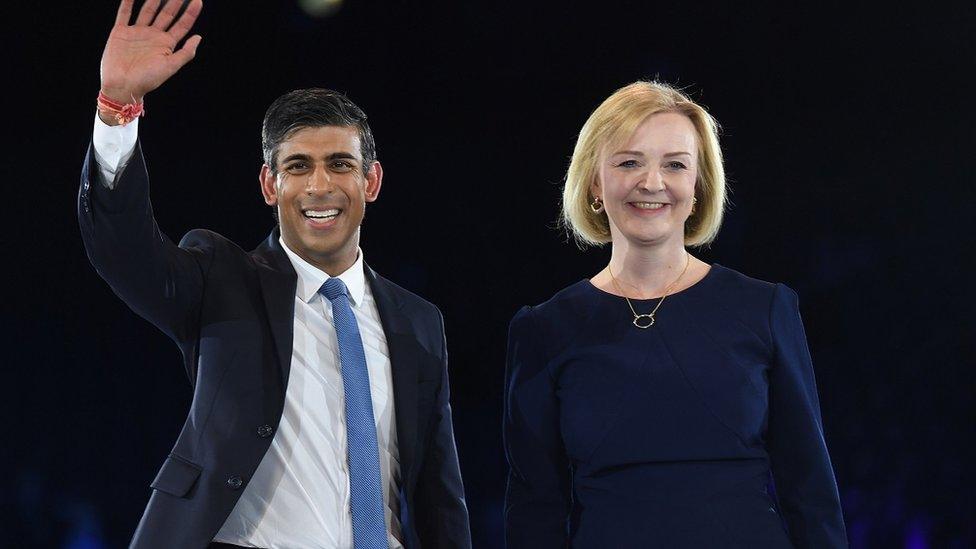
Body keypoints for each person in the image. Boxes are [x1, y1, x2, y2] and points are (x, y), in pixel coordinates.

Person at [79, 1, 471, 547]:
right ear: (270, 185)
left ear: (372, 181)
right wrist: (117, 107)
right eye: (297, 166)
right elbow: (122, 250)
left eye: (340, 164)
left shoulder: (419, 322)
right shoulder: (223, 280)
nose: (319, 186)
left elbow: (438, 496)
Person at [503, 81, 847, 548]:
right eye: (629, 162)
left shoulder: (765, 308)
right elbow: (534, 511)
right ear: (594, 184)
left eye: (675, 165)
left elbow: (810, 492)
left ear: (698, 184)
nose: (652, 183)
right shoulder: (543, 329)